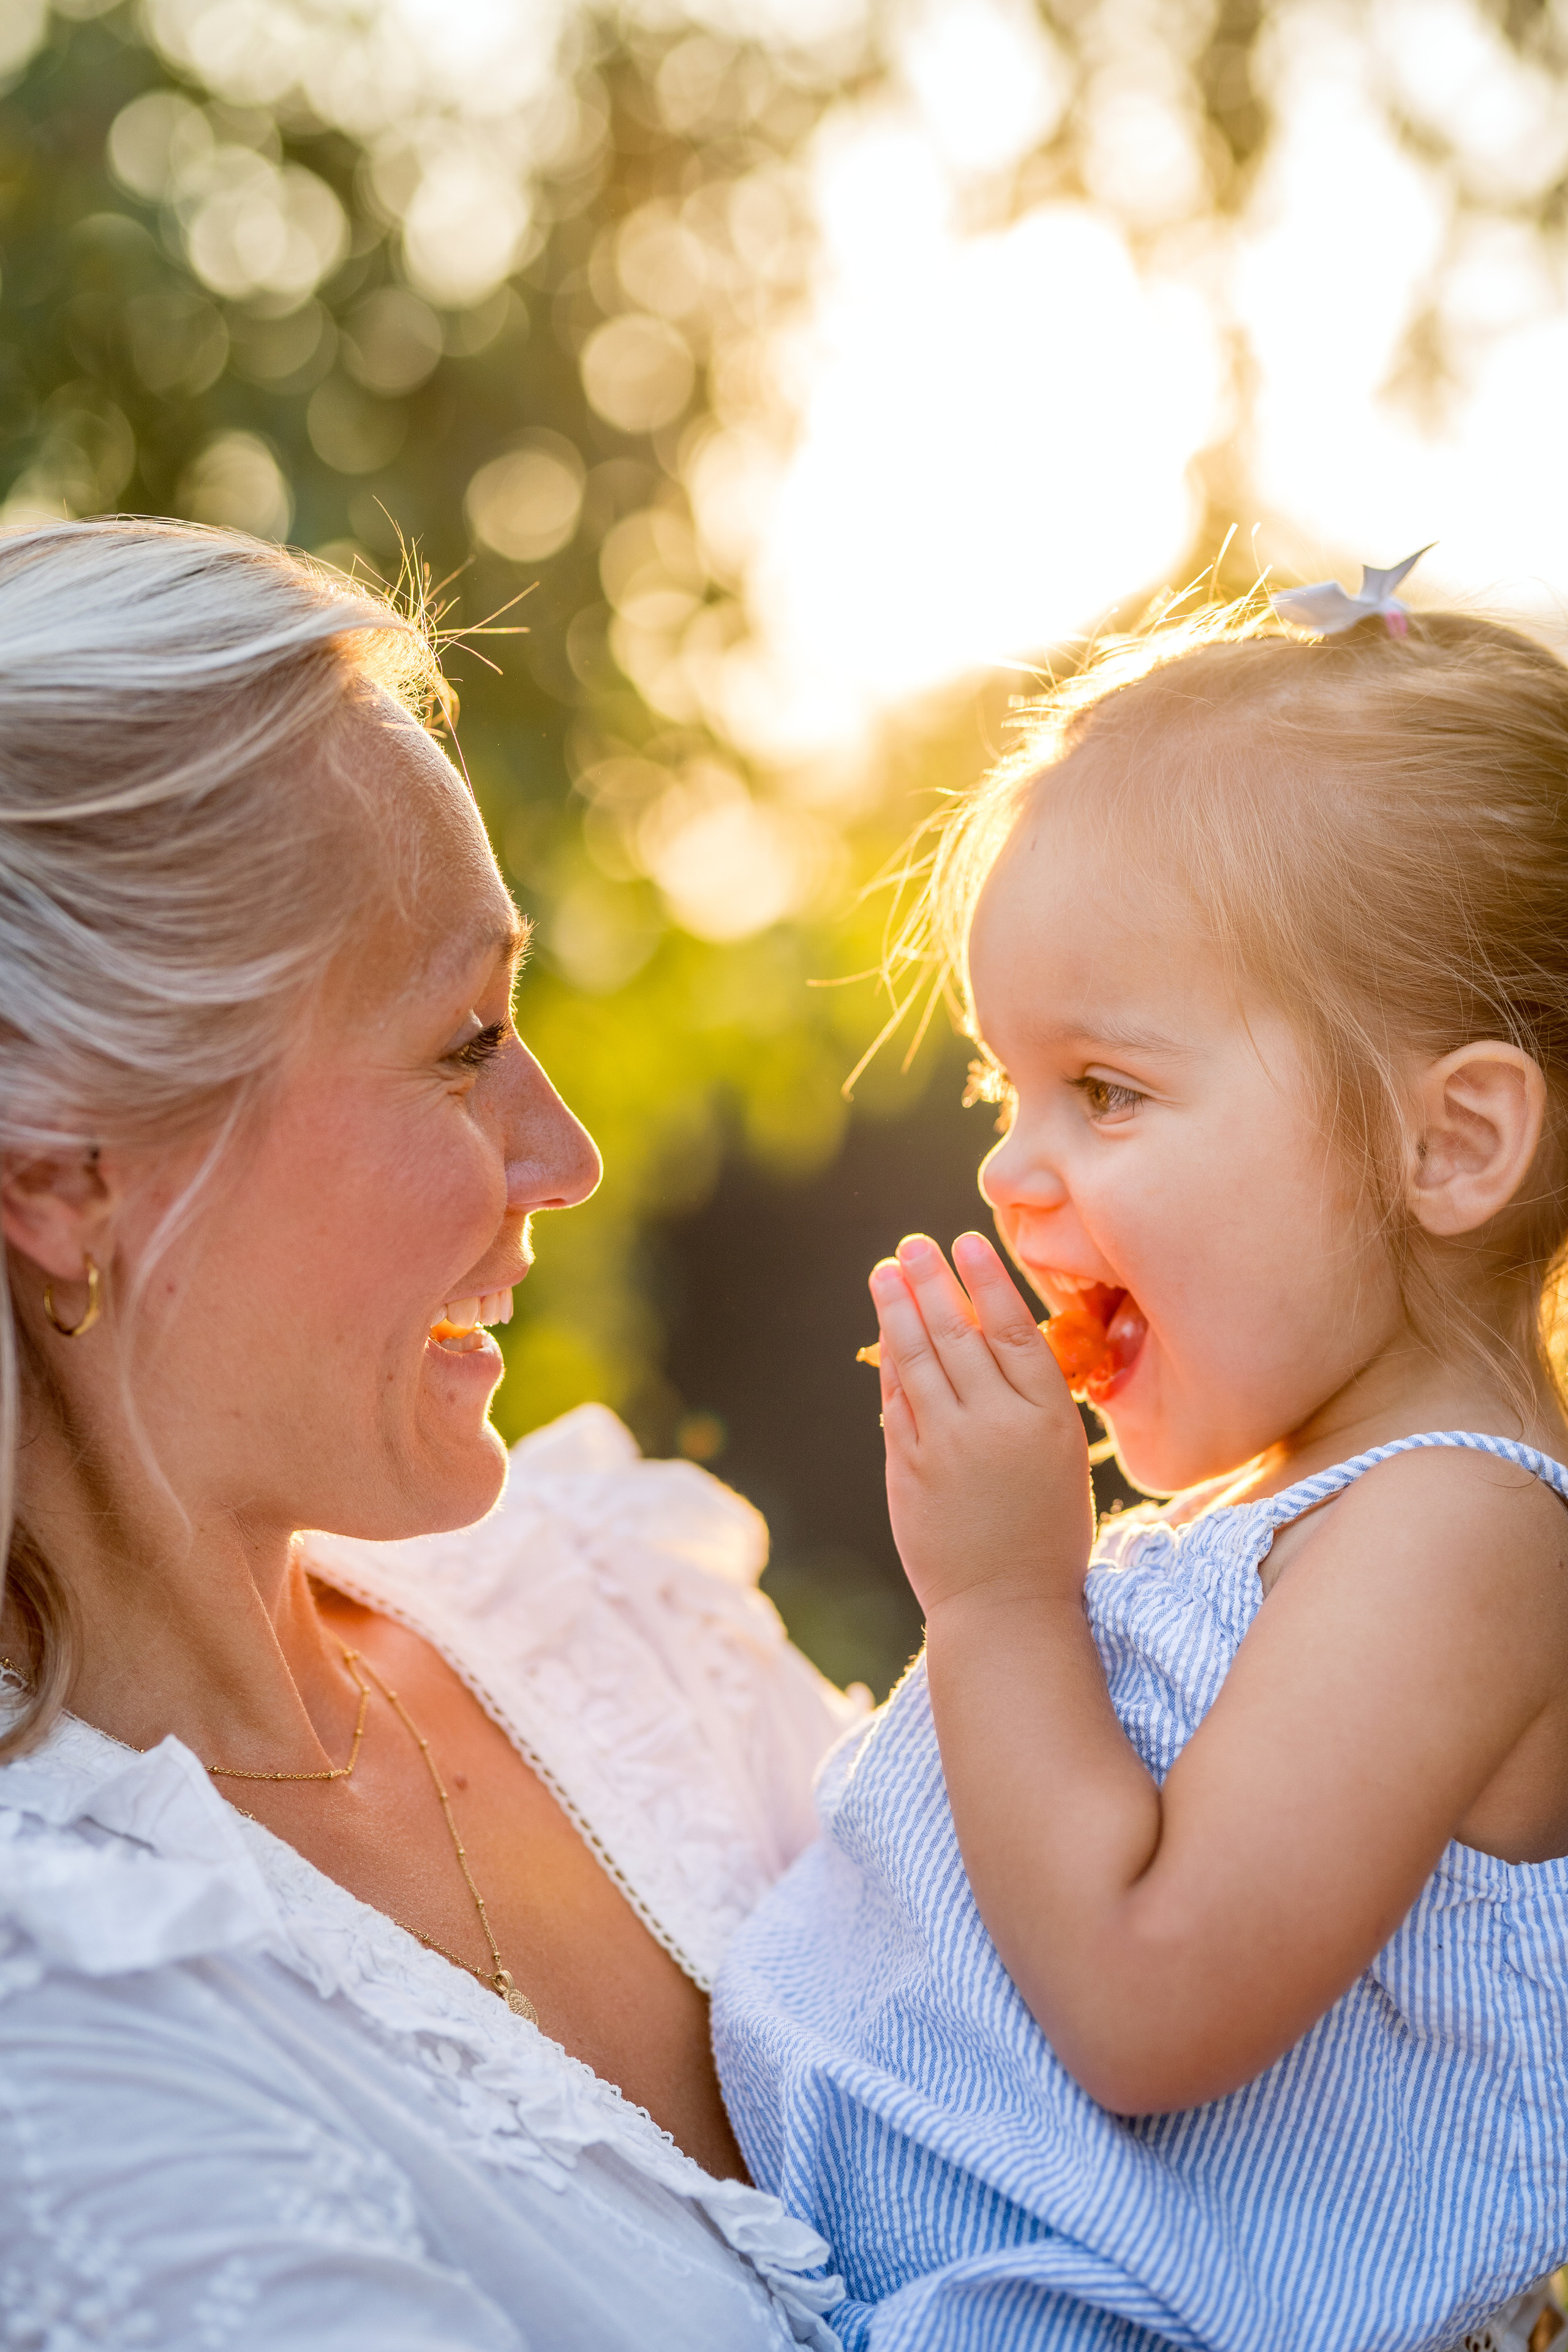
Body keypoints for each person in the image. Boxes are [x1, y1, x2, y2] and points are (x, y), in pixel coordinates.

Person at [0, 517, 861, 2351]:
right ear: (68, 1180)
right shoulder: (62, 2021)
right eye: (465, 1046)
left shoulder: (619, 1601)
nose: (566, 1158)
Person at [714, 571, 1568, 2351]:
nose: (1019, 1173)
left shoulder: (1467, 1535)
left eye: (1106, 1091)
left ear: (1453, 1142)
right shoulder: (1298, 1511)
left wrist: (1004, 1597)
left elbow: (1147, 1998)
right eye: (999, 1094)